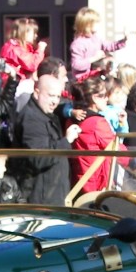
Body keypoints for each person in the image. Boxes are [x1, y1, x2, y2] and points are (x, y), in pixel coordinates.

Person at [12, 73, 81, 204]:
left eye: (58, 96)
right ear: (37, 93)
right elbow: (40, 158)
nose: (55, 101)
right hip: (42, 198)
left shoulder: (45, 113)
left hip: (50, 193)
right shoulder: (31, 119)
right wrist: (66, 141)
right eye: (50, 95)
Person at [69, 76, 128, 195]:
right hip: (95, 184)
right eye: (104, 95)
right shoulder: (97, 123)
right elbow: (119, 152)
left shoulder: (72, 118)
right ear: (95, 98)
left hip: (78, 181)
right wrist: (131, 157)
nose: (107, 99)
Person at [68, 7, 127, 82]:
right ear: (87, 24)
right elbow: (76, 65)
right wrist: (94, 58)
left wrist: (123, 40)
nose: (98, 25)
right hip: (84, 81)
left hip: (95, 77)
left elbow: (109, 46)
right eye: (96, 22)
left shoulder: (95, 38)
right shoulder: (78, 44)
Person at [0, 17, 47, 83]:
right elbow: (32, 64)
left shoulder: (22, 48)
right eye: (34, 33)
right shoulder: (14, 48)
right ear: (24, 33)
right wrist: (40, 49)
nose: (36, 36)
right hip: (14, 84)